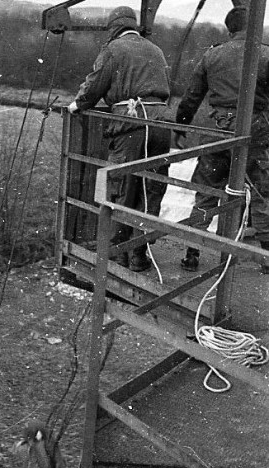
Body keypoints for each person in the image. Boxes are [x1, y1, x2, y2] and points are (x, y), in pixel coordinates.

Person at [68, 6, 171, 272]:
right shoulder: (156, 50)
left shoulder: (113, 50)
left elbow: (94, 85)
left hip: (131, 122)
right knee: (151, 189)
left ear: (114, 27)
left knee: (122, 188)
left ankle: (117, 255)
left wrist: (77, 105)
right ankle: (138, 255)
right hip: (160, 123)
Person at [174, 6, 269, 274]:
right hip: (255, 132)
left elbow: (191, 97)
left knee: (206, 191)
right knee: (262, 193)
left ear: (229, 30)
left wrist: (180, 128)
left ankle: (192, 253)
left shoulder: (212, 55)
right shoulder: (265, 54)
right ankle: (267, 258)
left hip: (217, 131)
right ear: (253, 28)